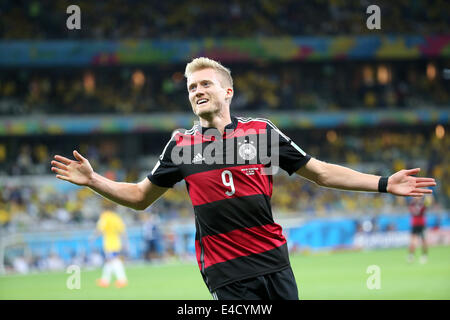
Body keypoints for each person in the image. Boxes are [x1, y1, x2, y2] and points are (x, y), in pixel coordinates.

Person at [51, 57, 436, 300]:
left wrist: (384, 183)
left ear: (227, 91)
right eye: (191, 88)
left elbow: (319, 172)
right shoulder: (181, 144)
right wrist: (94, 180)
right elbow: (139, 196)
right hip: (227, 271)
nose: (197, 91)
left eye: (205, 84)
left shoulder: (261, 132)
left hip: (274, 260)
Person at [91, 203, 128, 288]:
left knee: (114, 261)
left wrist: (93, 238)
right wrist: (125, 242)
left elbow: (100, 229)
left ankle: (122, 280)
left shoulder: (105, 217)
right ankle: (105, 280)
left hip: (109, 243)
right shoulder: (116, 217)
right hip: (117, 242)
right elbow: (122, 230)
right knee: (110, 261)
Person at [407, 196, 430, 264]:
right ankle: (411, 256)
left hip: (422, 225)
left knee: (424, 241)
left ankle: (424, 256)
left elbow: (425, 207)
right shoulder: (412, 204)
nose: (416, 198)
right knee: (413, 241)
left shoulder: (422, 204)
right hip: (414, 225)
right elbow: (413, 212)